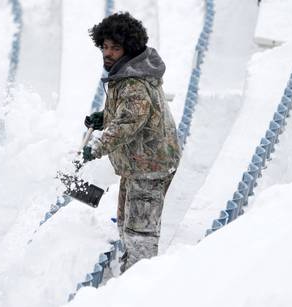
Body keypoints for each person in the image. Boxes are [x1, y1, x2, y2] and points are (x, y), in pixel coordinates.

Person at [82, 12, 181, 272]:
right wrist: (104, 118)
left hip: (150, 165)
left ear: (129, 48)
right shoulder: (127, 72)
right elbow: (129, 114)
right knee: (126, 221)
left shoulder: (133, 82)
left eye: (115, 48)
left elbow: (128, 123)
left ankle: (139, 280)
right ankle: (130, 269)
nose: (108, 53)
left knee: (140, 232)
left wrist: (97, 146)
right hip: (137, 163)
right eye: (104, 46)